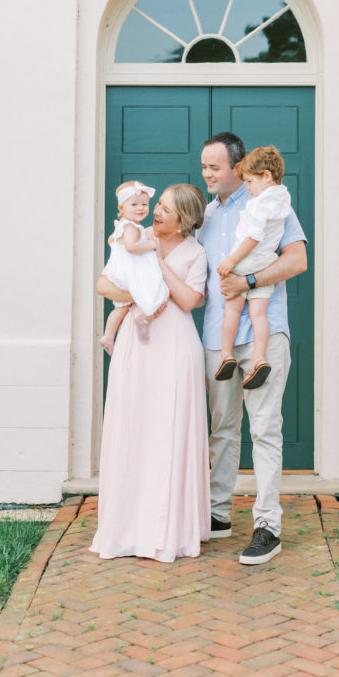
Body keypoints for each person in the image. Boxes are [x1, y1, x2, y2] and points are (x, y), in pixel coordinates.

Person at [199, 132, 307, 566]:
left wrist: (247, 282)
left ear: (239, 169)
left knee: (265, 429)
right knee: (221, 429)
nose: (207, 174)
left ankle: (267, 526)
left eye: (214, 167)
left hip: (264, 330)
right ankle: (218, 515)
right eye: (204, 167)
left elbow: (297, 260)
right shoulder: (204, 215)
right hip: (217, 337)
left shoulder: (270, 202)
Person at [90, 184, 210, 562]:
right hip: (136, 347)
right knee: (133, 425)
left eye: (166, 210)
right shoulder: (133, 236)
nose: (155, 212)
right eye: (157, 205)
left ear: (184, 221)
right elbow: (104, 285)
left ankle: (169, 530)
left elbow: (190, 300)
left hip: (175, 346)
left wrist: (157, 265)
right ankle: (127, 529)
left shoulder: (194, 253)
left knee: (169, 430)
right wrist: (141, 292)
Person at [215, 146, 292, 390]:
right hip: (266, 262)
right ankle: (259, 358)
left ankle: (226, 354)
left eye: (249, 182)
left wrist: (231, 260)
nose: (248, 188)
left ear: (266, 176)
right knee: (259, 314)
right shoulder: (283, 198)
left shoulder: (260, 203)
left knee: (232, 310)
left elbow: (253, 237)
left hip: (248, 259)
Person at [98, 180, 168, 350]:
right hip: (127, 272)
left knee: (121, 308)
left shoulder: (124, 225)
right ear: (121, 208)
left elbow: (112, 240)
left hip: (118, 271)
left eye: (144, 204)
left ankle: (108, 337)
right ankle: (144, 318)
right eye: (134, 204)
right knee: (161, 293)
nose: (140, 208)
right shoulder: (131, 227)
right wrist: (151, 245)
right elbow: (131, 247)